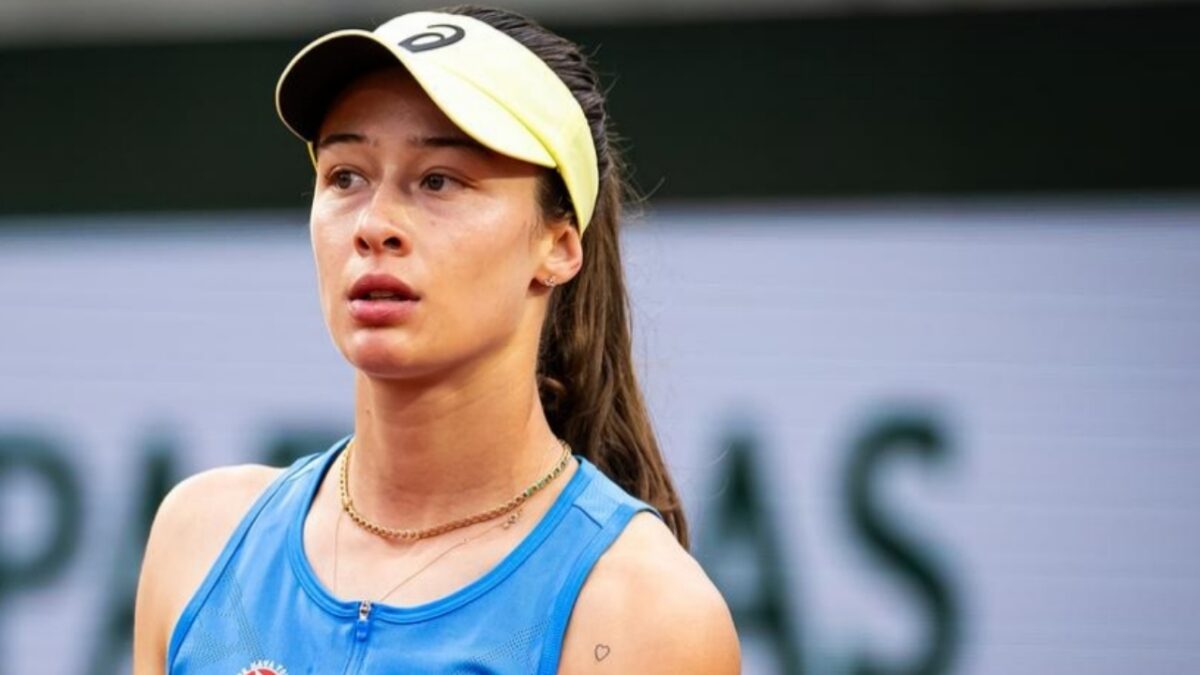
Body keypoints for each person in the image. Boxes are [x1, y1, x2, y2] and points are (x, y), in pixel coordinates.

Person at [132, 5, 740, 674]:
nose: (374, 224)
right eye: (345, 176)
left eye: (438, 180)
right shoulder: (200, 538)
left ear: (558, 246)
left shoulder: (644, 612)